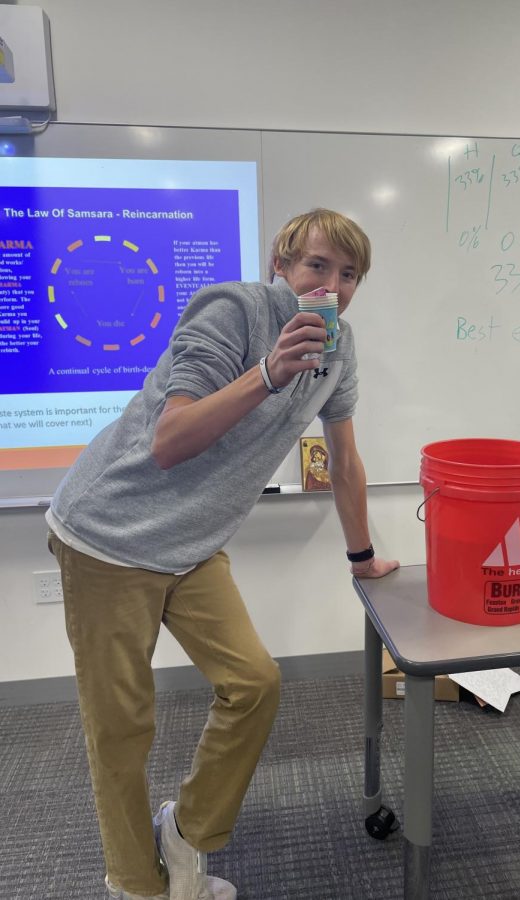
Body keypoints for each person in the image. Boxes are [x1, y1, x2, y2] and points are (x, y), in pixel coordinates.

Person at [46, 207, 399, 900]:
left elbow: (344, 457)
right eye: (317, 266)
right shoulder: (231, 310)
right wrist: (268, 371)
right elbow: (171, 439)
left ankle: (186, 834)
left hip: (192, 546)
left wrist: (361, 556)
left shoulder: (339, 346)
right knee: (121, 727)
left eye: (349, 274)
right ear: (281, 264)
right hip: (107, 539)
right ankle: (136, 885)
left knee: (255, 683)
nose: (332, 285)